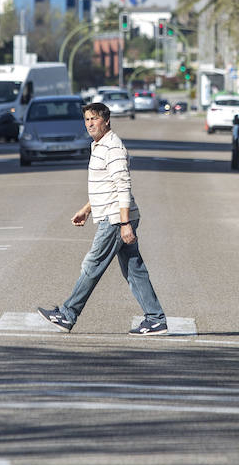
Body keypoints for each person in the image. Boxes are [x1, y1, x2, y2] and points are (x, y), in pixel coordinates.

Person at [38, 101, 168, 335]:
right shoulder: (98, 145)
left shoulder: (113, 148)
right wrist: (87, 209)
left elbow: (122, 186)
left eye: (94, 119)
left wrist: (125, 223)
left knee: (93, 264)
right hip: (113, 214)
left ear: (106, 120)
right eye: (87, 119)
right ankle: (155, 319)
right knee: (134, 268)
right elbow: (106, 185)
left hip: (115, 218)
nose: (90, 124)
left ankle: (68, 314)